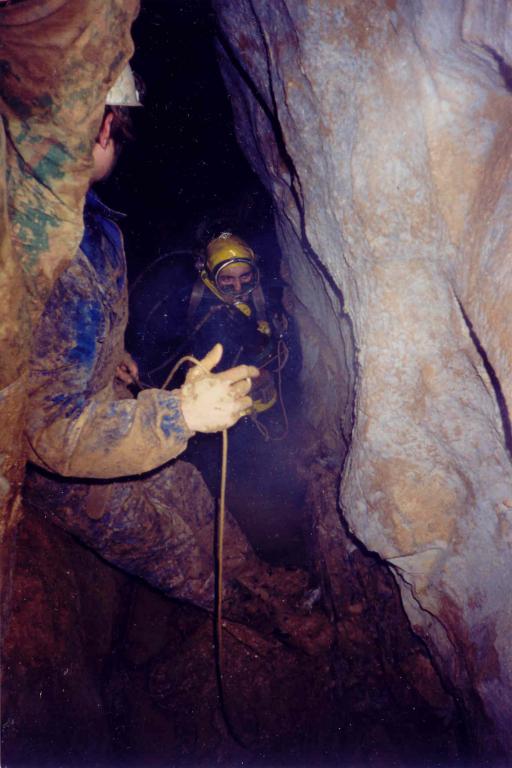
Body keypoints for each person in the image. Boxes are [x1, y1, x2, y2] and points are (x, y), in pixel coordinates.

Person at [22, 66, 269, 606]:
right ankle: (250, 621)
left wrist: (109, 358)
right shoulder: (41, 250)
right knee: (169, 547)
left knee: (189, 490)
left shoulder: (83, 220)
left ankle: (262, 583)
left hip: (107, 412)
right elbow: (52, 431)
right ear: (102, 125)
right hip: (73, 468)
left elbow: (47, 345)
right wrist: (181, 415)